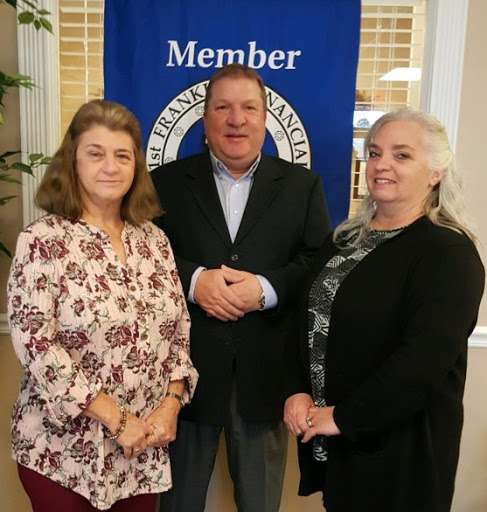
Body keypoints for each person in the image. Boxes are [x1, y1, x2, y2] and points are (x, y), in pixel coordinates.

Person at [283, 108, 485, 512]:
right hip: (336, 445)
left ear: (435, 172)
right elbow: (304, 322)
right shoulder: (345, 239)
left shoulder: (448, 252)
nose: (382, 164)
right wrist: (297, 390)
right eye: (374, 153)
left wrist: (341, 417)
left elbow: (421, 363)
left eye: (402, 155)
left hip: (399, 454)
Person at [151, 63, 331, 511]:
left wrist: (265, 289)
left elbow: (316, 264)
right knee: (176, 503)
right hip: (181, 379)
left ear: (265, 117)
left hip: (266, 378)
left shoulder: (302, 186)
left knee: (260, 503)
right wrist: (193, 281)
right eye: (223, 107)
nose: (237, 119)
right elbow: (142, 259)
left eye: (249, 107)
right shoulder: (163, 184)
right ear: (205, 118)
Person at [6, 99, 198, 512]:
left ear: (136, 167)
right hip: (63, 451)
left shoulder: (154, 241)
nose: (110, 166)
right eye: (95, 153)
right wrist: (117, 419)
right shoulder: (43, 239)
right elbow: (36, 344)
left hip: (141, 449)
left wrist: (172, 403)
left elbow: (179, 330)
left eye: (122, 155)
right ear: (71, 162)